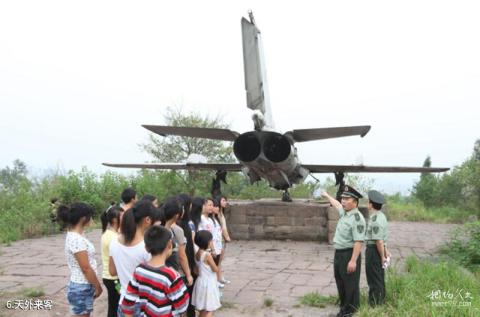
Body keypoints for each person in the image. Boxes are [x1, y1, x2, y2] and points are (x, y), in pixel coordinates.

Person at [120, 225, 190, 317]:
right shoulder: (171, 275)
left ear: (146, 247)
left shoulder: (139, 270)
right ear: (169, 244)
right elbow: (182, 306)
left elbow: (127, 302)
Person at [322, 185, 366, 317]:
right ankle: (344, 308)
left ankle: (350, 311)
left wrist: (353, 261)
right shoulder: (345, 213)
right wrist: (327, 195)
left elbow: (358, 241)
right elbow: (336, 205)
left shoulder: (357, 219)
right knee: (340, 281)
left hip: (349, 254)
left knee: (350, 284)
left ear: (355, 202)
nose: (343, 201)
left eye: (347, 199)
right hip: (339, 254)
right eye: (343, 198)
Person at [57, 202, 102, 317]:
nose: (91, 219)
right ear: (83, 219)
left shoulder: (77, 235)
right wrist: (98, 286)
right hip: (81, 287)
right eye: (90, 216)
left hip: (82, 286)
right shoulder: (76, 239)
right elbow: (86, 268)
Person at [109, 200, 153, 316]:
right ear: (147, 220)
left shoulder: (114, 242)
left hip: (124, 302)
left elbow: (112, 271)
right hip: (143, 304)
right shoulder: (146, 247)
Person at [163, 198, 194, 287]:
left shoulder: (159, 228)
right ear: (176, 215)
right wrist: (188, 275)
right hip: (173, 273)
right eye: (182, 209)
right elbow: (182, 255)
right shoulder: (176, 230)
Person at [365, 190, 389, 306]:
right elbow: (383, 240)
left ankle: (375, 304)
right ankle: (380, 301)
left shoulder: (375, 220)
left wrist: (383, 257)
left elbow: (378, 241)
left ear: (370, 204)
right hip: (377, 249)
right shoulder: (381, 216)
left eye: (368, 202)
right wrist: (385, 252)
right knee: (379, 276)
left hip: (373, 251)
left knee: (374, 278)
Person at [192, 230, 222, 317]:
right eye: (211, 240)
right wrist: (215, 257)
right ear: (207, 242)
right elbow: (215, 269)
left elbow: (196, 270)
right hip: (209, 283)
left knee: (203, 309)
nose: (211, 242)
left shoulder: (197, 253)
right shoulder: (207, 255)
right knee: (210, 309)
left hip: (200, 281)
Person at [100, 203, 122, 317]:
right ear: (114, 219)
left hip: (109, 277)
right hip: (114, 279)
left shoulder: (108, 233)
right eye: (122, 217)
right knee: (115, 307)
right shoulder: (114, 237)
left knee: (113, 305)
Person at [217, 196, 231, 285]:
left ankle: (220, 277)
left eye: (225, 200)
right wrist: (226, 237)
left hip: (222, 239)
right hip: (220, 239)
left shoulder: (221, 213)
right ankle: (219, 278)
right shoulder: (218, 214)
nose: (225, 202)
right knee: (218, 260)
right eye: (223, 200)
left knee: (220, 260)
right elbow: (222, 228)